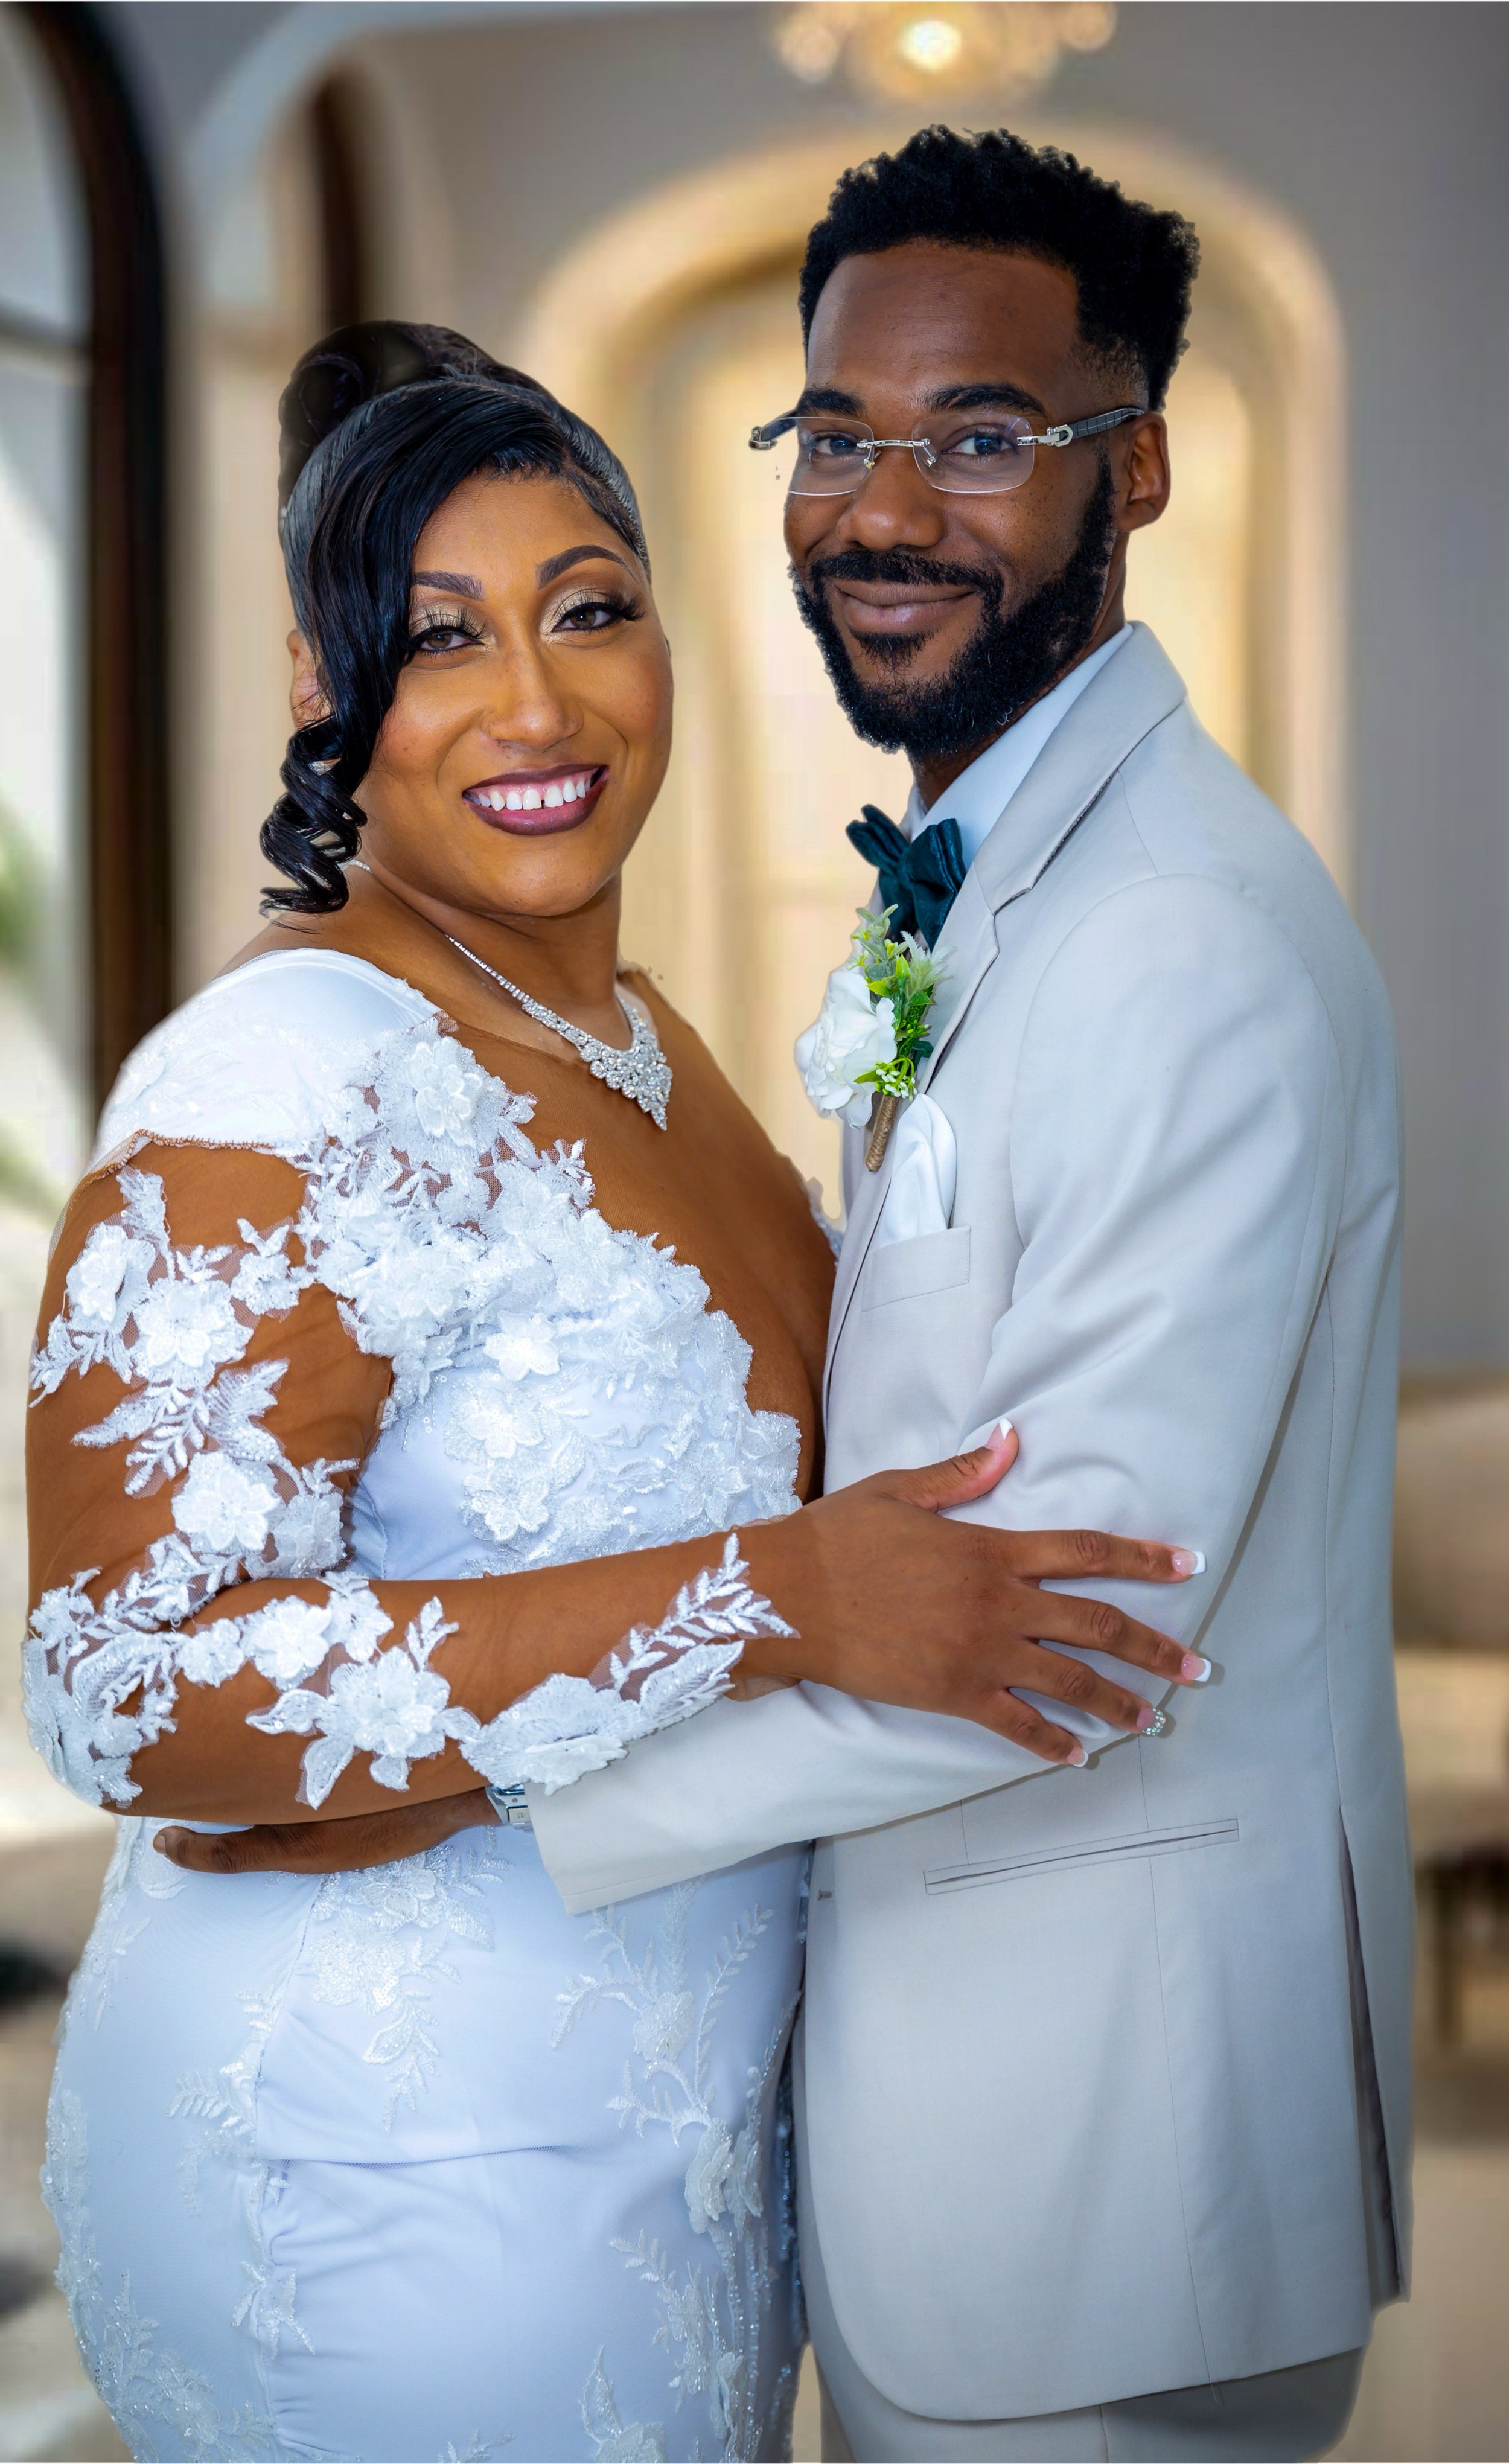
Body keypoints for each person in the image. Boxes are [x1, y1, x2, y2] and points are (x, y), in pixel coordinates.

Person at [284, 136, 1411, 2458]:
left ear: (1144, 467)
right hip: (936, 2114)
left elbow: (1059, 1634)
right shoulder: (987, 872)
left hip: (1099, 2159)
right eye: (840, 434)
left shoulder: (1177, 941)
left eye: (982, 437)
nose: (884, 507)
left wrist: (485, 1800)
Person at [25, 321, 1205, 2464]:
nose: (538, 708)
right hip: (383, 2168)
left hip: (661, 2143)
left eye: (591, 612)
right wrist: (779, 1592)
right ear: (322, 689)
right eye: (439, 640)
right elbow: (125, 1686)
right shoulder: (280, 1078)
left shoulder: (641, 1036)